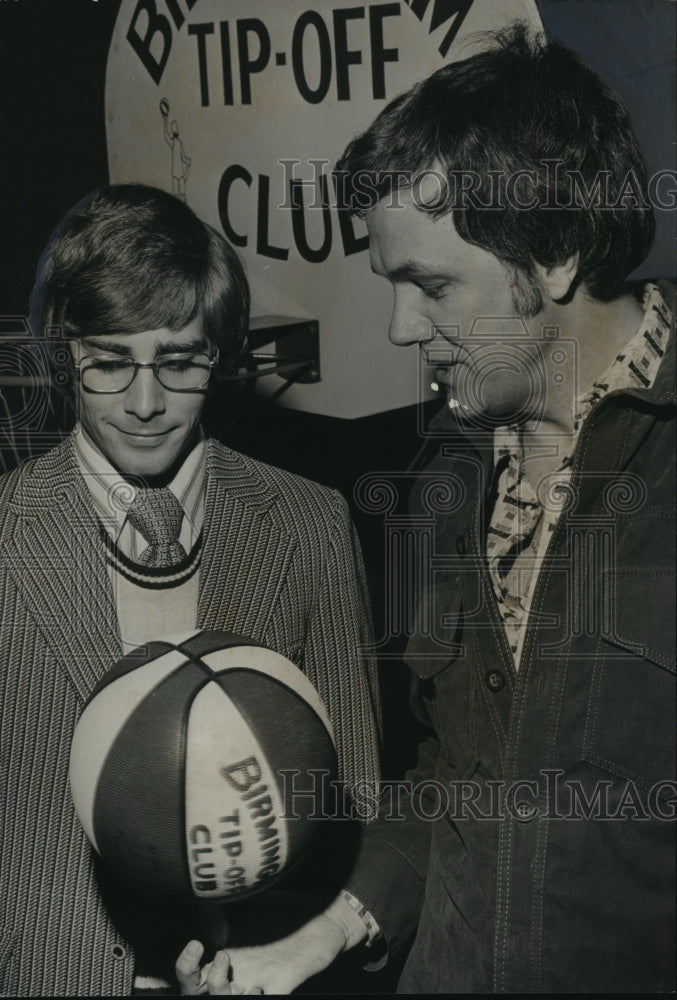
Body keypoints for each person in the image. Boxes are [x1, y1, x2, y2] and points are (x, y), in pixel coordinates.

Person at [181, 24, 676, 995]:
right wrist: (316, 937)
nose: (403, 329)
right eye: (391, 286)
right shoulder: (445, 477)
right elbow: (451, 777)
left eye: (431, 285)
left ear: (557, 251)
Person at [0, 183, 381, 997]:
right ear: (65, 354)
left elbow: (352, 795)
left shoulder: (310, 524)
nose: (144, 403)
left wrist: (273, 949)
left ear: (223, 353)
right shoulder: (4, 534)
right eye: (109, 362)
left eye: (178, 362)